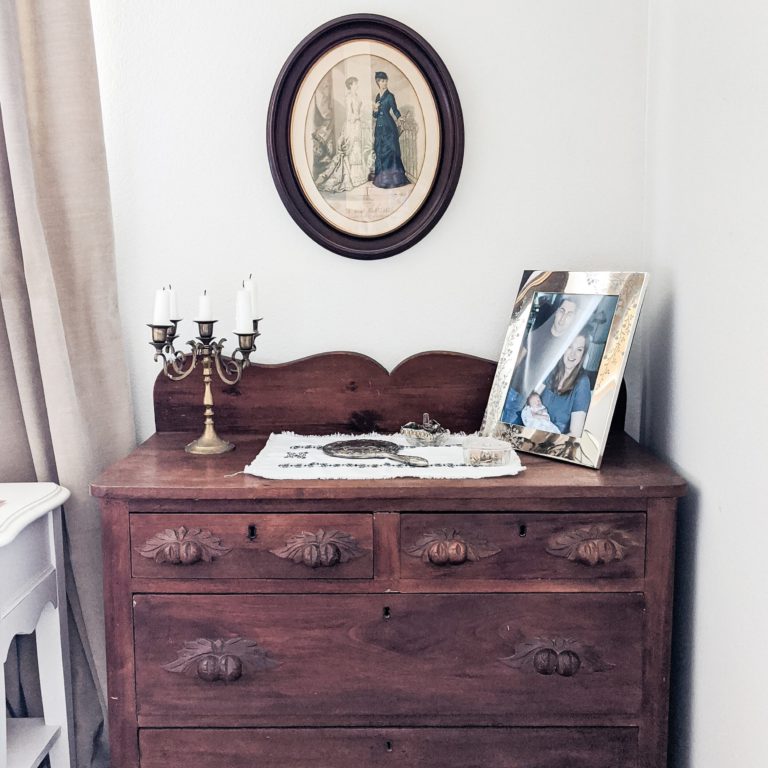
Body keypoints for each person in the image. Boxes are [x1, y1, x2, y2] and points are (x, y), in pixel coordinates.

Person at [538, 332, 593, 436]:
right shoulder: (552, 370)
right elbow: (531, 399)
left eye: (579, 350)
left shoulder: (583, 383)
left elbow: (575, 433)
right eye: (569, 347)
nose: (573, 354)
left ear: (583, 354)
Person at [371, 71, 409, 188]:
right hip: (379, 128)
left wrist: (400, 118)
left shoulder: (390, 96)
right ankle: (381, 179)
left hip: (389, 127)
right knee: (380, 152)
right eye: (382, 81)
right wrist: (375, 110)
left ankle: (394, 180)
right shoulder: (377, 97)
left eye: (386, 80)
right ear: (378, 82)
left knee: (391, 151)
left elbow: (395, 110)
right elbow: (375, 116)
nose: (384, 83)